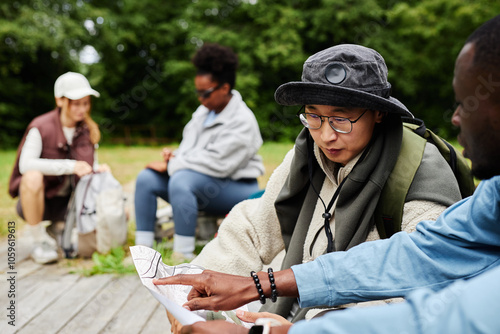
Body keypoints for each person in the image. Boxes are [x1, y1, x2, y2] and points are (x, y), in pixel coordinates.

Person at [154, 14, 500, 333]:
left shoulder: (420, 176)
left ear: (378, 113)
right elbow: (254, 227)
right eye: (313, 116)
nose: (326, 134)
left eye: (341, 117)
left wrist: (301, 328)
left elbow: (418, 292)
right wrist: (195, 289)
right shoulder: (307, 155)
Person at [134, 43, 264, 259]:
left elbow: (218, 164)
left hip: (235, 187)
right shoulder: (203, 112)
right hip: (199, 182)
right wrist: (175, 156)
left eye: (205, 93)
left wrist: (172, 165)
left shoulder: (242, 120)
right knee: (147, 178)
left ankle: (182, 253)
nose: (200, 98)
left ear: (224, 88)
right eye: (198, 92)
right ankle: (142, 251)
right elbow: (191, 151)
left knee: (181, 179)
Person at [9, 71, 109, 264]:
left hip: (71, 204)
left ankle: (59, 227)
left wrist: (99, 169)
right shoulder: (40, 126)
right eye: (76, 103)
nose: (82, 109)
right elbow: (25, 164)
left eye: (86, 103)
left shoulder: (87, 131)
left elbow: (90, 164)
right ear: (60, 100)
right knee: (32, 176)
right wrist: (70, 166)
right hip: (40, 202)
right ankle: (39, 241)